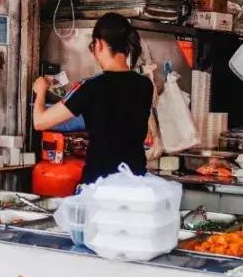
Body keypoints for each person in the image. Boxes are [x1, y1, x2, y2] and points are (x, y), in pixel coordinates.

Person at [32, 13, 154, 184]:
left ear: (99, 44)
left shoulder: (91, 87)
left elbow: (40, 122)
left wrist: (41, 90)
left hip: (99, 185)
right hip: (135, 183)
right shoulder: (145, 85)